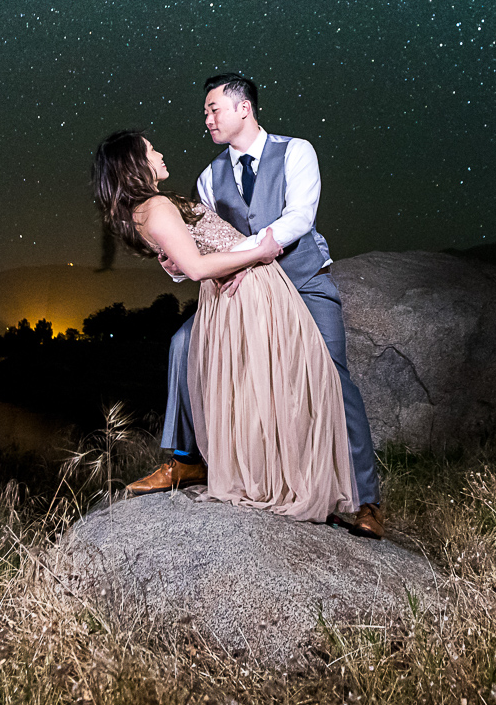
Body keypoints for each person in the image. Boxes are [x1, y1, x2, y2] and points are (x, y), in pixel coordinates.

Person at [126, 73, 386, 540]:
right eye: (205, 111)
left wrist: (250, 253)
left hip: (303, 282)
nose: (205, 118)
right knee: (184, 344)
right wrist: (176, 266)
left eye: (212, 109)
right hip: (245, 296)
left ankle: (366, 500)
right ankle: (187, 461)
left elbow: (299, 218)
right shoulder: (209, 178)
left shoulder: (296, 151)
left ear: (243, 108)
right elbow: (204, 249)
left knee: (331, 371)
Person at [91, 129, 357, 523]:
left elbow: (187, 260)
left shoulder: (145, 210)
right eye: (151, 149)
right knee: (286, 383)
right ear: (134, 164)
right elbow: (198, 267)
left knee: (264, 386)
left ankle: (276, 475)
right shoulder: (157, 206)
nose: (161, 153)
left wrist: (211, 261)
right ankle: (282, 480)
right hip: (248, 290)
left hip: (242, 288)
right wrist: (260, 250)